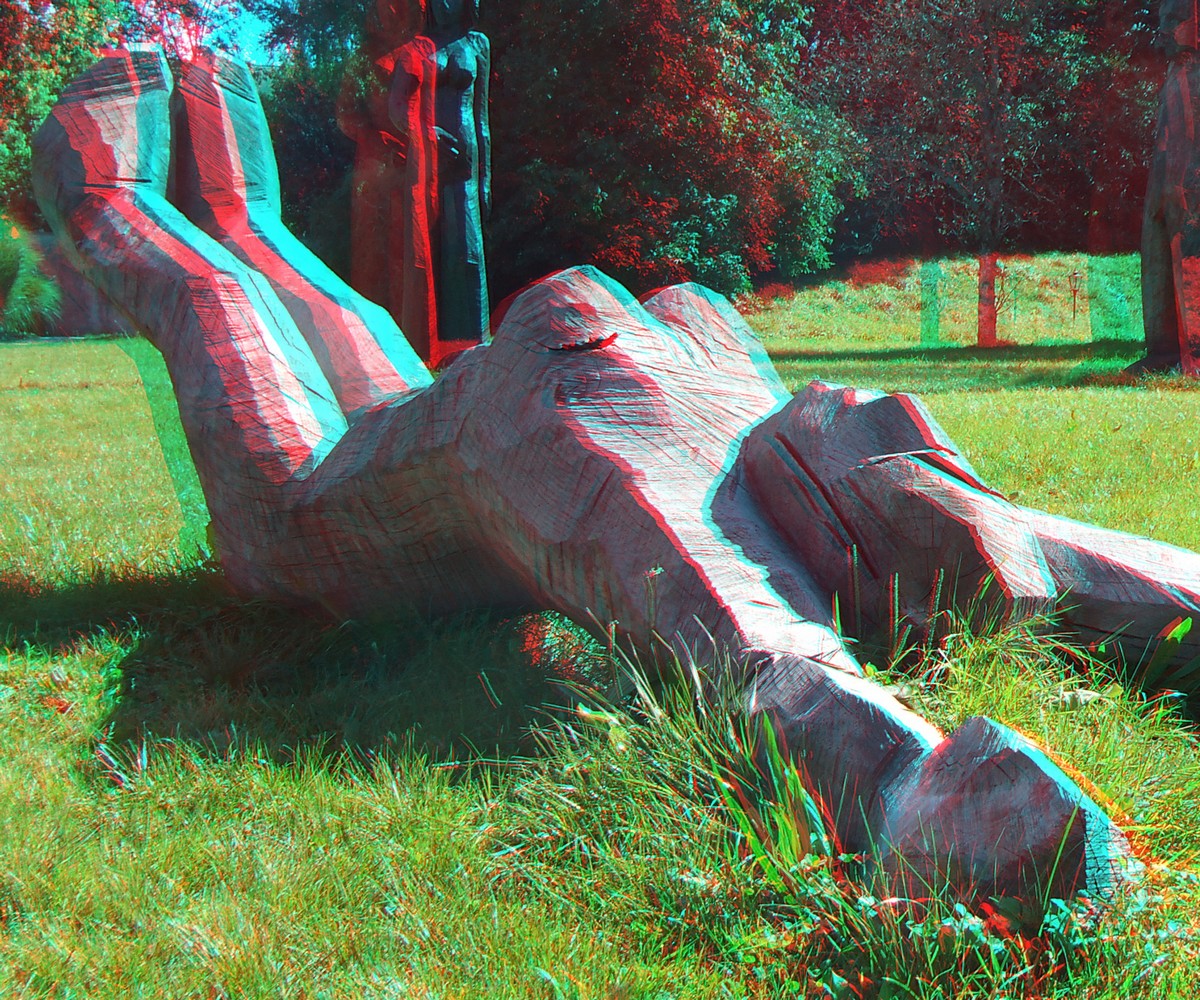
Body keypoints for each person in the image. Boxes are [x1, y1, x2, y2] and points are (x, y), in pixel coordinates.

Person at [39, 45, 1185, 906]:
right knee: (261, 328)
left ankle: (190, 201)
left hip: (586, 390)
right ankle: (122, 200)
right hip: (548, 404)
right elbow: (734, 603)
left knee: (342, 339)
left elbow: (792, 580)